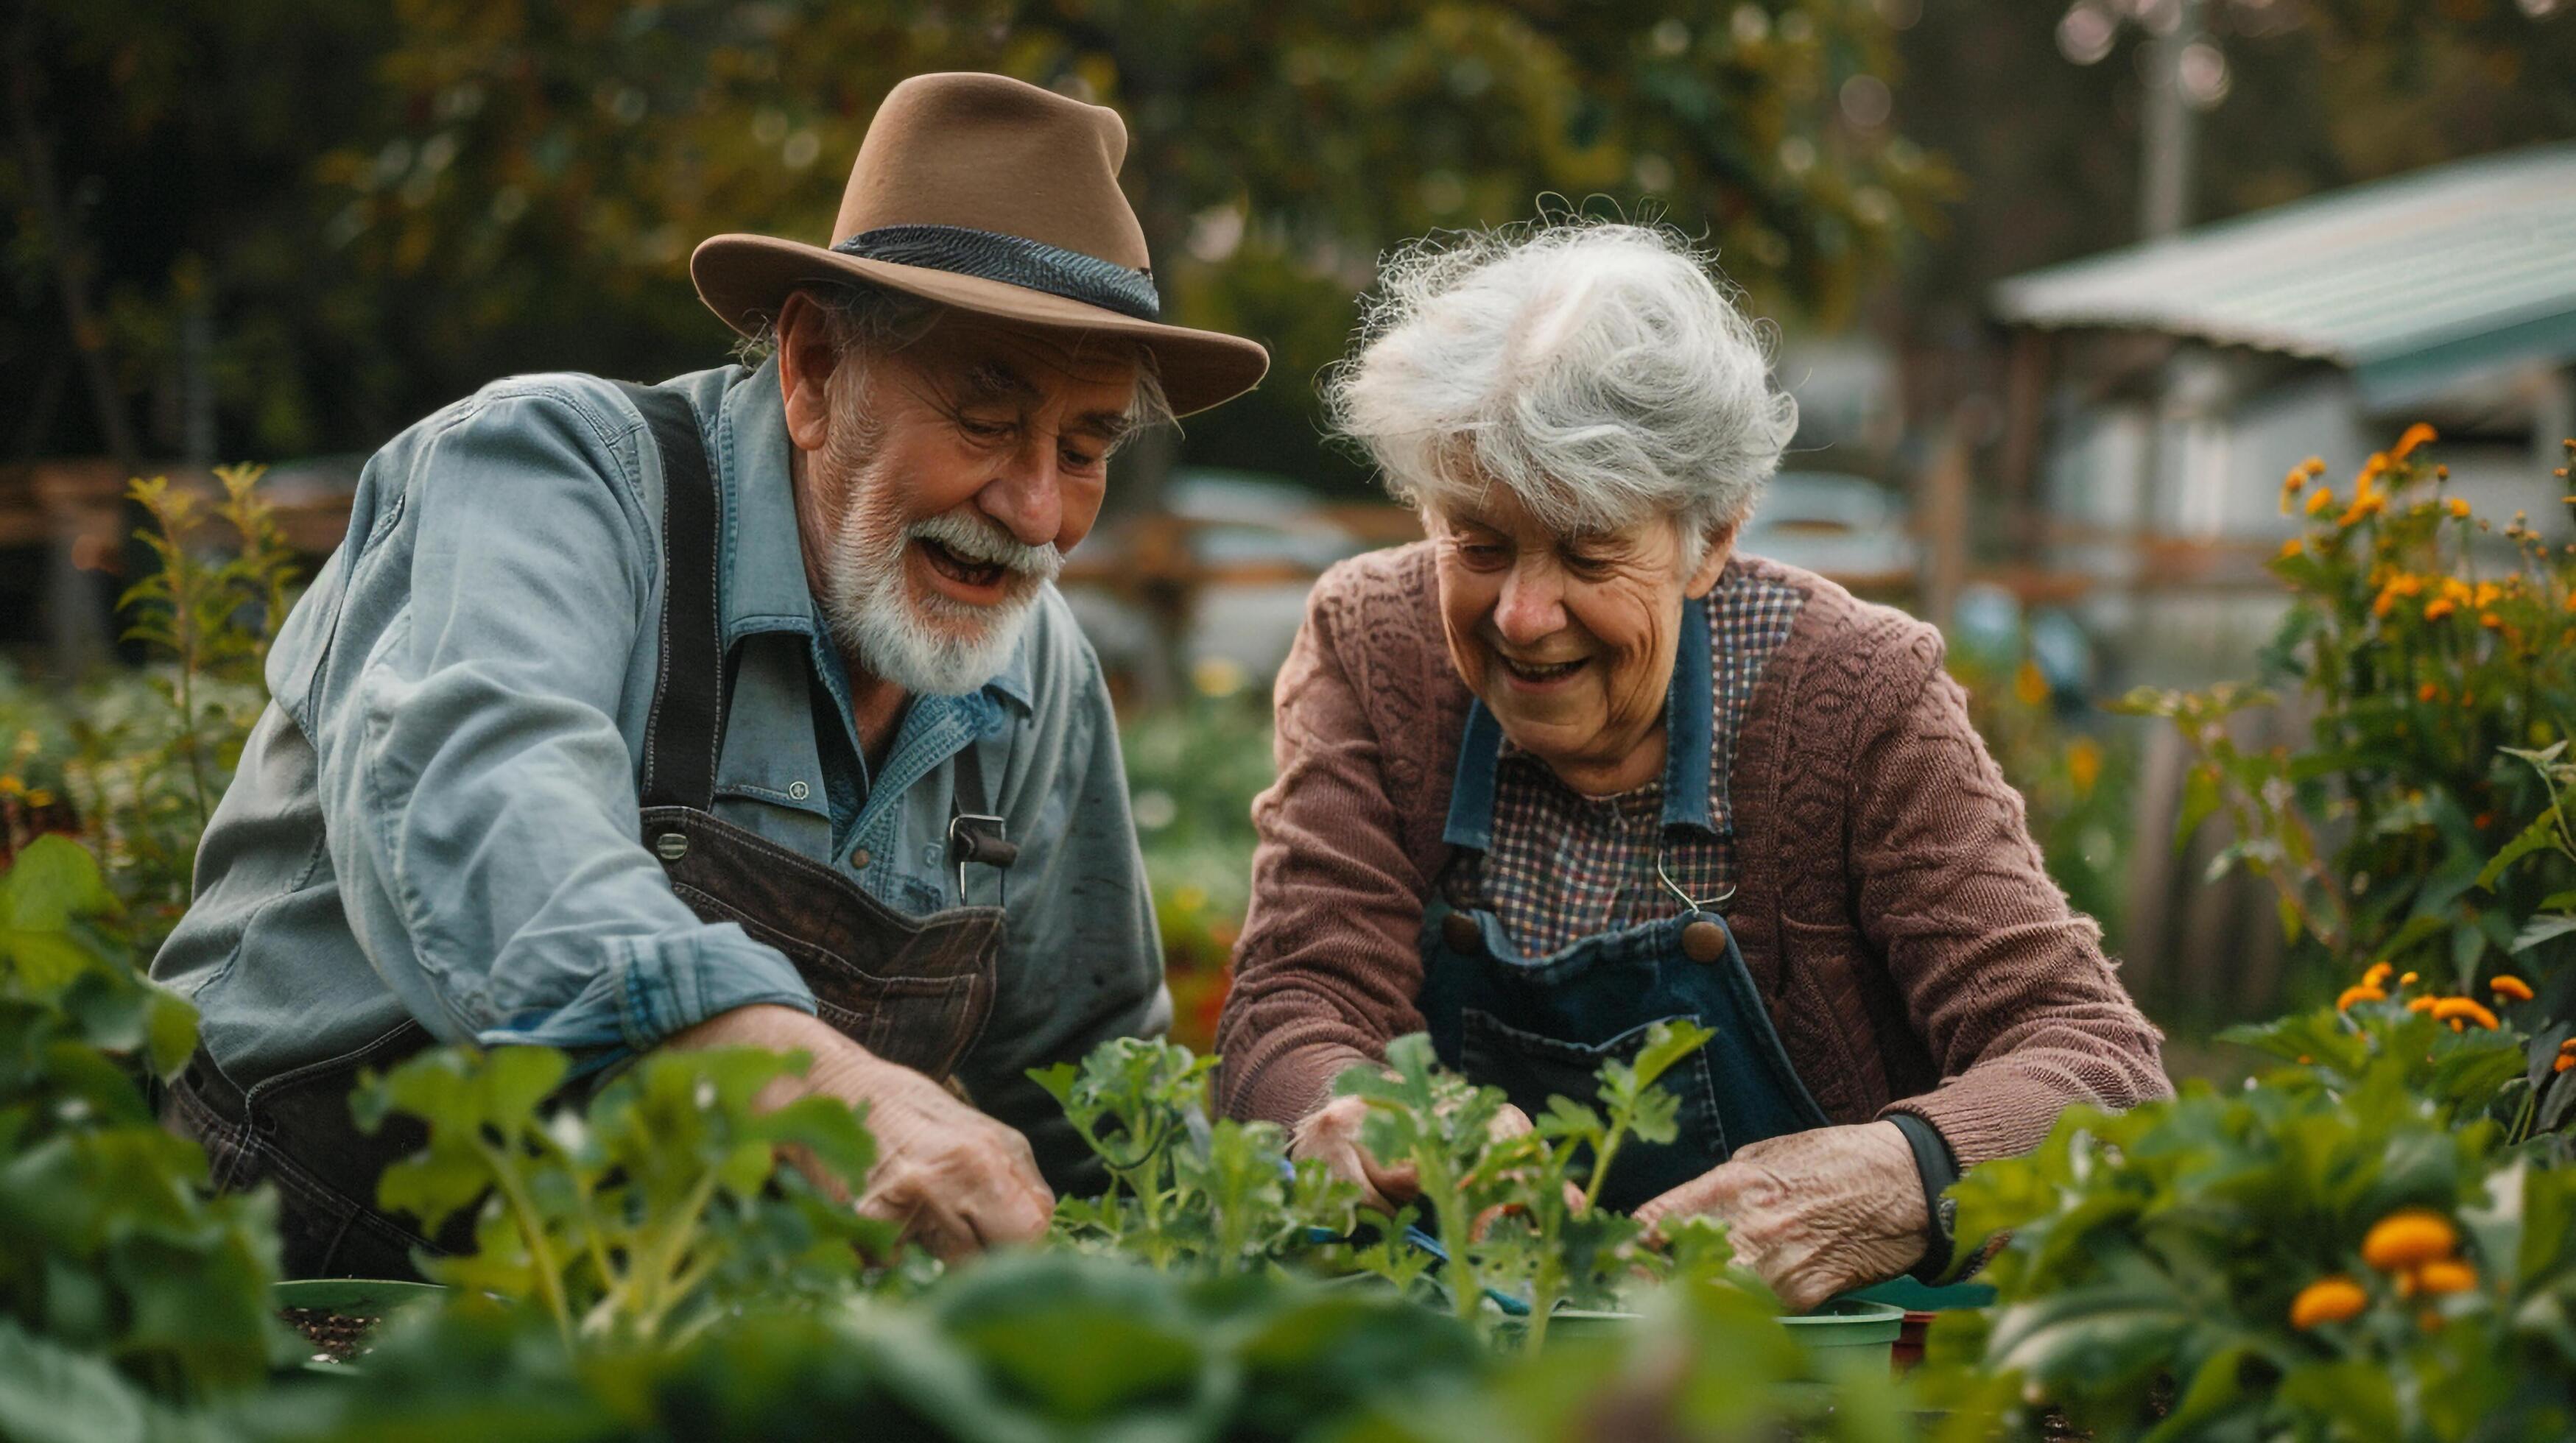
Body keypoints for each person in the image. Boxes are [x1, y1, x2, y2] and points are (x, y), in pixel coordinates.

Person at [152, 72, 1269, 1277]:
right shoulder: (554, 478)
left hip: (667, 1322)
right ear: (811, 367)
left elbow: (1092, 1085)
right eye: (986, 422)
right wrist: (797, 1067)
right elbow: (479, 798)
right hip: (288, 1267)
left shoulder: (1035, 671)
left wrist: (1253, 1258)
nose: (1036, 509)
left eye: (1086, 447)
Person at [1212, 222, 2167, 1310]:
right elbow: (1294, 998)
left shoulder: (1853, 695)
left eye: (1584, 551)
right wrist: (1352, 1107)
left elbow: (2098, 1066)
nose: (1522, 616)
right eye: (1477, 544)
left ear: (1709, 539)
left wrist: (1905, 1172)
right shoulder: (1377, 645)